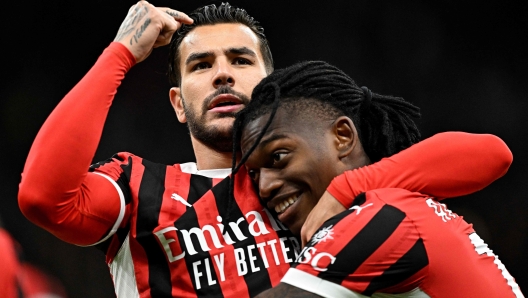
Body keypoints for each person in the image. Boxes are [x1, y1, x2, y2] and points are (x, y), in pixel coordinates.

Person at [17, 1, 512, 297]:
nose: (223, 73)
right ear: (177, 104)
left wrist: (346, 187)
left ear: (271, 84)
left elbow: (488, 153)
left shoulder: (307, 181)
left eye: (240, 58)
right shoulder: (140, 186)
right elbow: (42, 196)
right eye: (201, 65)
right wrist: (121, 54)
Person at [232, 60, 523, 297]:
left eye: (278, 157)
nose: (265, 186)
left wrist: (346, 186)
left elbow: (495, 153)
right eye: (254, 174)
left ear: (343, 137)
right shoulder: (398, 207)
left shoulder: (379, 217)